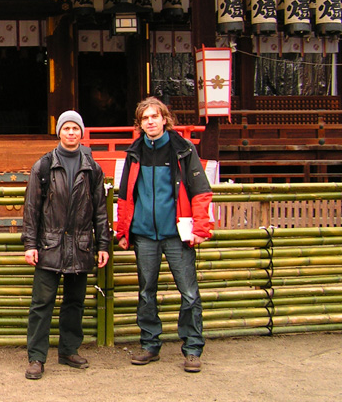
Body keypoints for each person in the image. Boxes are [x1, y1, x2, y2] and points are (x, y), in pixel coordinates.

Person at [116, 97, 213, 373]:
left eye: (155, 117)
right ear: (140, 123)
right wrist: (123, 230)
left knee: (189, 292)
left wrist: (200, 228)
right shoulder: (134, 152)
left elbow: (200, 191)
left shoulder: (183, 149)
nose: (150, 122)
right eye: (145, 118)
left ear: (165, 119)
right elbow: (125, 195)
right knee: (146, 291)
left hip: (176, 233)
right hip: (145, 233)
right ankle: (149, 345)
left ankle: (192, 348)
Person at [21, 110, 111, 380]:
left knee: (75, 302)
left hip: (81, 245)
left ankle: (69, 350)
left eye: (75, 128)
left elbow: (100, 211)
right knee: (42, 303)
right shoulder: (45, 165)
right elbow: (32, 208)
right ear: (59, 131)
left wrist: (103, 244)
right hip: (49, 244)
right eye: (66, 128)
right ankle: (37, 357)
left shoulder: (92, 168)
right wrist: (30, 244)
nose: (71, 133)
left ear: (81, 132)